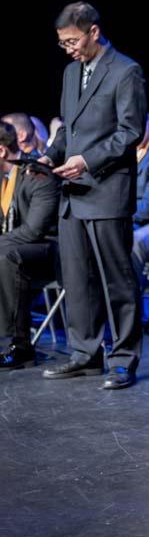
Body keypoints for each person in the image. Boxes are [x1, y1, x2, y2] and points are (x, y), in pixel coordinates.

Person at [39, 1, 147, 390]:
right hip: (73, 193)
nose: (68, 48)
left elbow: (129, 132)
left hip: (105, 191)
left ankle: (123, 359)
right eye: (63, 43)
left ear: (94, 32)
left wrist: (87, 161)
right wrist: (48, 155)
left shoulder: (126, 71)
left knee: (116, 280)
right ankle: (85, 353)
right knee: (77, 279)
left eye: (72, 41)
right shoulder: (71, 73)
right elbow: (69, 128)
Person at [0, 121, 59, 369]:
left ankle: (18, 344)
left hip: (48, 249)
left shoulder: (36, 173)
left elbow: (35, 230)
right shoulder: (3, 178)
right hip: (13, 246)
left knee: (6, 256)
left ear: (1, 150)